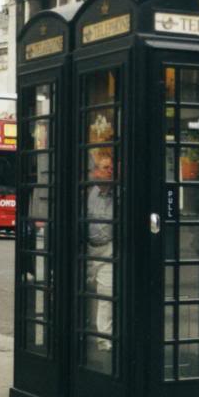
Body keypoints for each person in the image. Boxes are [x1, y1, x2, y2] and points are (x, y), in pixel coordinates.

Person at [87, 149, 114, 352]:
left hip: (109, 249)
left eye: (112, 167)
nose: (110, 171)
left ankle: (103, 339)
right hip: (87, 249)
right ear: (95, 172)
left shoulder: (119, 193)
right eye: (105, 168)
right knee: (86, 291)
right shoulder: (88, 192)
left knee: (106, 293)